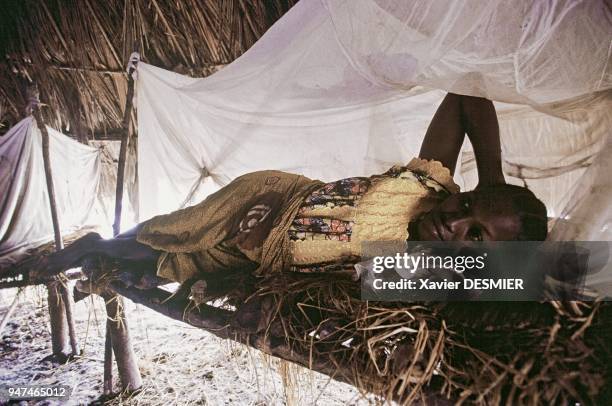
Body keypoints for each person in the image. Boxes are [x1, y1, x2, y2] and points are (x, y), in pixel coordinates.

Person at [37, 93, 548, 286]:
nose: (454, 221)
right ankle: (89, 248)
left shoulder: (421, 273)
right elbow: (466, 99)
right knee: (177, 232)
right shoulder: (427, 186)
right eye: (469, 205)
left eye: (475, 238)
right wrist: (493, 180)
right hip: (267, 200)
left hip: (266, 254)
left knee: (174, 268)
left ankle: (100, 256)